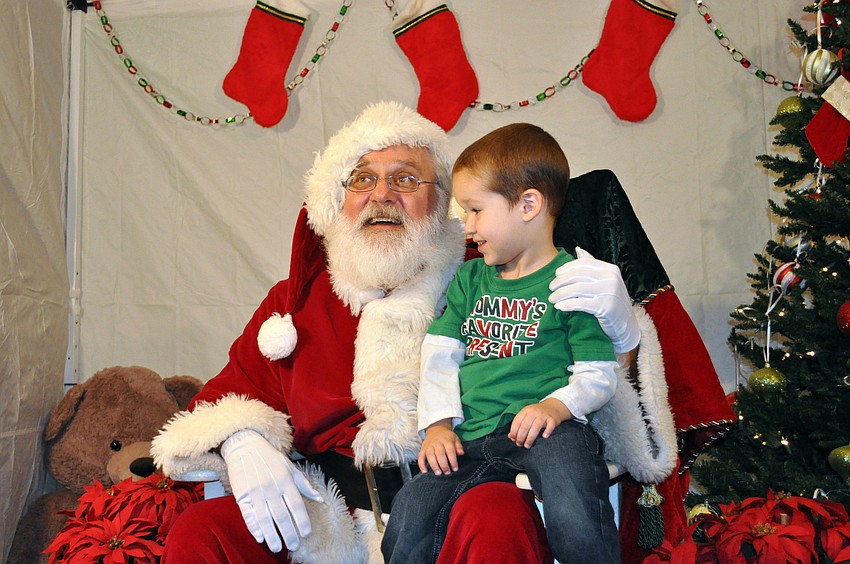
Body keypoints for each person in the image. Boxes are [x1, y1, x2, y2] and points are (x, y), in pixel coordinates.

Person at [151, 101, 643, 563]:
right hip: (327, 510)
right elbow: (222, 401)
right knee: (203, 530)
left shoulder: (487, 275)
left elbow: (596, 378)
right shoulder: (295, 300)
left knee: (494, 513)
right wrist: (242, 443)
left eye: (405, 179)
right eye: (362, 178)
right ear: (335, 198)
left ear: (443, 202)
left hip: (461, 483)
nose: (380, 195)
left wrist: (622, 330)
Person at [382, 123, 621, 563]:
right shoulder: (471, 280)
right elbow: (439, 357)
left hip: (547, 432)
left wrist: (556, 406)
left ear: (528, 204)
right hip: (471, 438)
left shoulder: (573, 283)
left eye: (475, 210)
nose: (467, 226)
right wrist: (437, 425)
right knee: (411, 509)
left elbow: (599, 373)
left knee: (574, 497)